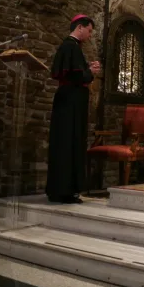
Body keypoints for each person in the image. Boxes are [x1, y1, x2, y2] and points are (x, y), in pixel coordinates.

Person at [46, 15, 100, 203]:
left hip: (66, 100)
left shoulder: (68, 46)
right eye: (89, 30)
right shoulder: (71, 46)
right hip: (72, 102)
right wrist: (90, 73)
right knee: (70, 143)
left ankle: (58, 189)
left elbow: (69, 71)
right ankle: (66, 191)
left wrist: (86, 67)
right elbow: (77, 77)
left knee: (62, 144)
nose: (90, 35)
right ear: (80, 27)